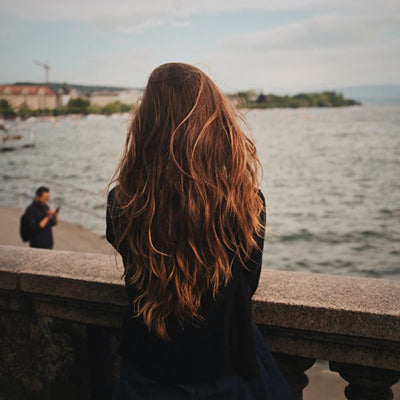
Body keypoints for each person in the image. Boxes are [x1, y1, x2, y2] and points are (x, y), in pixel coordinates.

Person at [106, 62, 295, 399]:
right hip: (225, 372)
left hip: (146, 372)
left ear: (146, 124)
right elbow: (246, 284)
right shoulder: (247, 203)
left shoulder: (123, 203)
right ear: (215, 121)